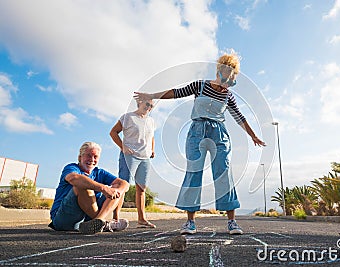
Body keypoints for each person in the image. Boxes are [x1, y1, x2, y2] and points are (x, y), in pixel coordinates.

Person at [134, 52, 266, 235]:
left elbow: (239, 117)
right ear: (219, 71)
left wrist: (253, 136)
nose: (228, 82)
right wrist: (152, 95)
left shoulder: (229, 95)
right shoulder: (200, 85)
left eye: (233, 78)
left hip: (219, 133)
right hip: (197, 131)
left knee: (223, 173)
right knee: (194, 172)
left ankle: (232, 222)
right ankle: (190, 222)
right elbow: (176, 93)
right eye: (227, 77)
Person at [49, 142, 130, 234]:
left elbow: (125, 184)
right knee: (83, 185)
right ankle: (104, 223)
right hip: (64, 219)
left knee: (118, 188)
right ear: (80, 157)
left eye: (95, 157)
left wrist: (117, 191)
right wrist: (103, 188)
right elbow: (73, 178)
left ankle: (100, 221)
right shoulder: (71, 168)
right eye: (88, 155)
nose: (92, 160)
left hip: (86, 221)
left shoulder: (99, 172)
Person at [110, 99, 157, 228]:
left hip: (145, 158)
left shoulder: (151, 121)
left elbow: (151, 136)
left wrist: (152, 149)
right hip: (129, 156)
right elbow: (113, 132)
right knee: (123, 186)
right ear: (139, 103)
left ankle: (142, 219)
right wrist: (122, 146)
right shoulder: (128, 117)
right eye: (147, 104)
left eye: (151, 106)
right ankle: (115, 219)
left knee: (141, 189)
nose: (149, 107)